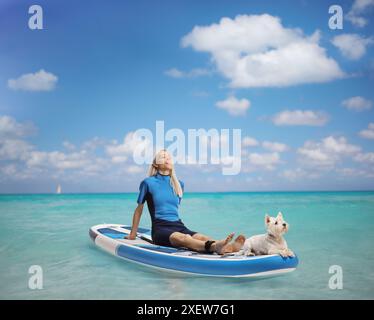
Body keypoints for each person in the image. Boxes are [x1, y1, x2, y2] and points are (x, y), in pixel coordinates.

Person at [125, 149, 244, 255]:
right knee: (184, 238)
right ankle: (215, 247)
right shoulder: (148, 183)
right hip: (160, 229)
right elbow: (139, 210)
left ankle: (229, 247)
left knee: (201, 236)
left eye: (169, 157)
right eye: (163, 157)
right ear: (156, 164)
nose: (167, 159)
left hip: (178, 225)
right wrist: (132, 234)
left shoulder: (179, 185)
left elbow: (173, 209)